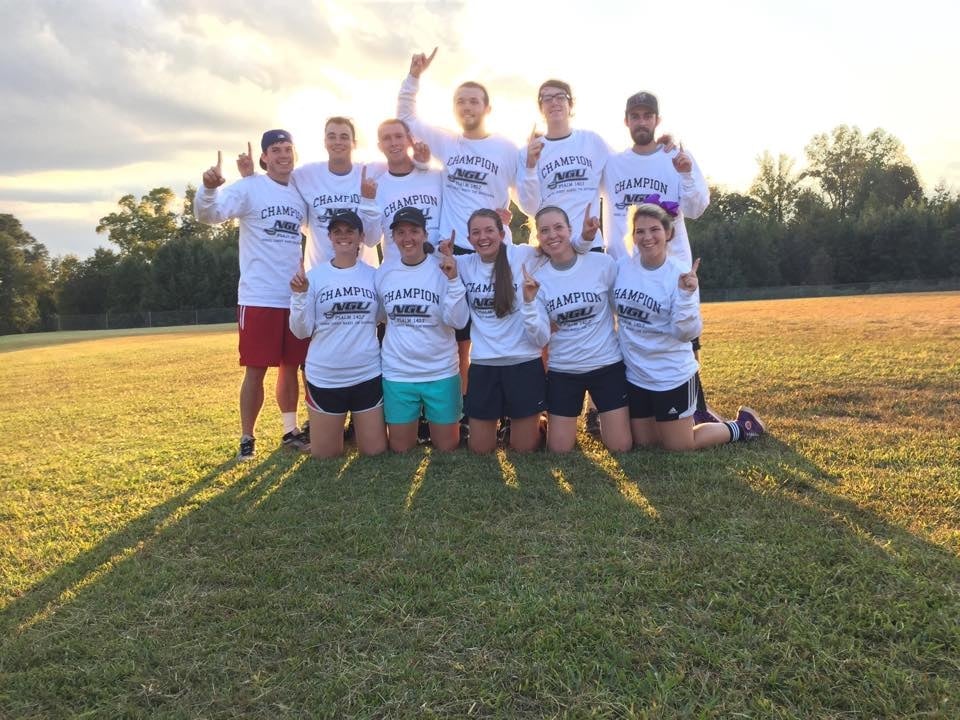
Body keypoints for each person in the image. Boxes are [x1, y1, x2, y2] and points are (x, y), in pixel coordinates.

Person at [397, 47, 541, 410]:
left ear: (487, 108)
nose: (467, 106)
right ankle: (463, 408)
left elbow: (528, 202)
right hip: (455, 252)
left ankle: (521, 407)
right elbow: (406, 118)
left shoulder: (507, 148)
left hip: (496, 254)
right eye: (461, 101)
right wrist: (414, 76)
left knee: (508, 328)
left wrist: (529, 168)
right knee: (457, 336)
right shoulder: (448, 140)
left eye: (474, 101)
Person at [602, 90, 718, 424]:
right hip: (628, 264)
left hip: (673, 263)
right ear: (626, 122)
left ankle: (696, 406)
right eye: (635, 116)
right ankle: (624, 406)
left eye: (647, 116)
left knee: (683, 337)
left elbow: (697, 208)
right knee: (632, 332)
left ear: (657, 120)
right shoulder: (614, 163)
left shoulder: (676, 156)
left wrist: (685, 172)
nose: (641, 122)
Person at [194, 129, 310, 460]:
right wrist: (208, 188)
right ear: (264, 157)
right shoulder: (249, 187)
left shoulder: (298, 194)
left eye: (288, 148)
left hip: (293, 295)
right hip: (259, 297)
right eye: (276, 150)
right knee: (256, 369)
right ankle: (247, 437)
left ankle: (290, 430)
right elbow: (209, 215)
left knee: (292, 366)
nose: (284, 155)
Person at [614, 203, 765, 449]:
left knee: (680, 446)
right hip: (636, 374)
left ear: (668, 233)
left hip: (670, 375)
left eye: (654, 229)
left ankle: (742, 426)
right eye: (639, 231)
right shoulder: (621, 268)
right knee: (646, 443)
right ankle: (682, 419)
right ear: (632, 235)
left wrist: (685, 296)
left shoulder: (681, 275)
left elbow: (686, 333)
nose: (647, 237)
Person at [521, 206, 632, 454]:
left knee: (621, 446)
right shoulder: (538, 279)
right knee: (559, 450)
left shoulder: (602, 264)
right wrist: (529, 303)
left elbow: (621, 310)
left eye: (559, 227)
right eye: (545, 230)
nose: (553, 235)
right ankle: (540, 423)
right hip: (564, 370)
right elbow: (539, 337)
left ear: (570, 230)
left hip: (606, 366)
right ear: (538, 237)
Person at [288, 209, 388, 458]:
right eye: (337, 232)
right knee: (326, 455)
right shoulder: (314, 278)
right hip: (326, 377)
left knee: (374, 452)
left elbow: (381, 317)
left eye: (350, 231)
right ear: (330, 237)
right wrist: (299, 296)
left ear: (361, 236)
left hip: (367, 374)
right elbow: (301, 332)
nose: (344, 236)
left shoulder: (374, 277)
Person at [375, 207, 469, 452]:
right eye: (401, 232)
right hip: (399, 373)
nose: (408, 238)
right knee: (400, 449)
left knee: (447, 447)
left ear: (425, 234)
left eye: (414, 231)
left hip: (440, 371)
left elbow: (458, 322)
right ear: (393, 237)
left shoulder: (442, 267)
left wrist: (453, 280)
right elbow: (382, 316)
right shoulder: (385, 272)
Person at [456, 209, 548, 453]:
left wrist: (586, 238)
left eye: (489, 230)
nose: (483, 237)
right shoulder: (464, 264)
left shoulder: (522, 256)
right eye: (476, 233)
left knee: (523, 449)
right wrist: (441, 250)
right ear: (468, 240)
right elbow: (429, 255)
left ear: (501, 232)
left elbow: (556, 246)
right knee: (480, 449)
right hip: (484, 363)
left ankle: (539, 424)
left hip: (523, 362)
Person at [520, 79, 613, 253]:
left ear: (570, 104)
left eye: (560, 97)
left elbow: (624, 170)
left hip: (590, 243)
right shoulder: (528, 152)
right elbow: (530, 208)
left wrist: (660, 149)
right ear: (541, 108)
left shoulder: (592, 141)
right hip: (552, 246)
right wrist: (531, 167)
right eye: (547, 98)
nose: (554, 102)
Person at [365, 119, 443, 266]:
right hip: (399, 274)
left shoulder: (436, 176)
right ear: (379, 146)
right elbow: (370, 240)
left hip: (438, 269)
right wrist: (368, 203)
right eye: (386, 138)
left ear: (409, 140)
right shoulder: (376, 188)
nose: (393, 143)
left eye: (398, 136)